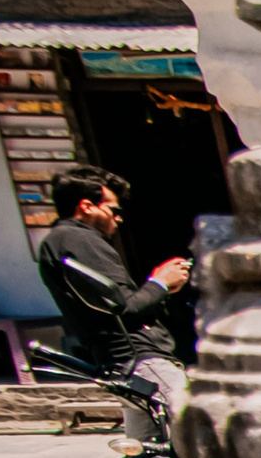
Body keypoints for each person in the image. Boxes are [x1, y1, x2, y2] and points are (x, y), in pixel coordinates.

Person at [38, 169, 191, 431]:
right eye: (113, 210)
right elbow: (124, 308)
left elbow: (113, 304)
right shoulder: (79, 238)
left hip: (123, 363)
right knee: (200, 429)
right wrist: (159, 283)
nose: (119, 219)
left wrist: (161, 289)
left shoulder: (58, 242)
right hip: (141, 361)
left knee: (151, 455)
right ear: (86, 207)